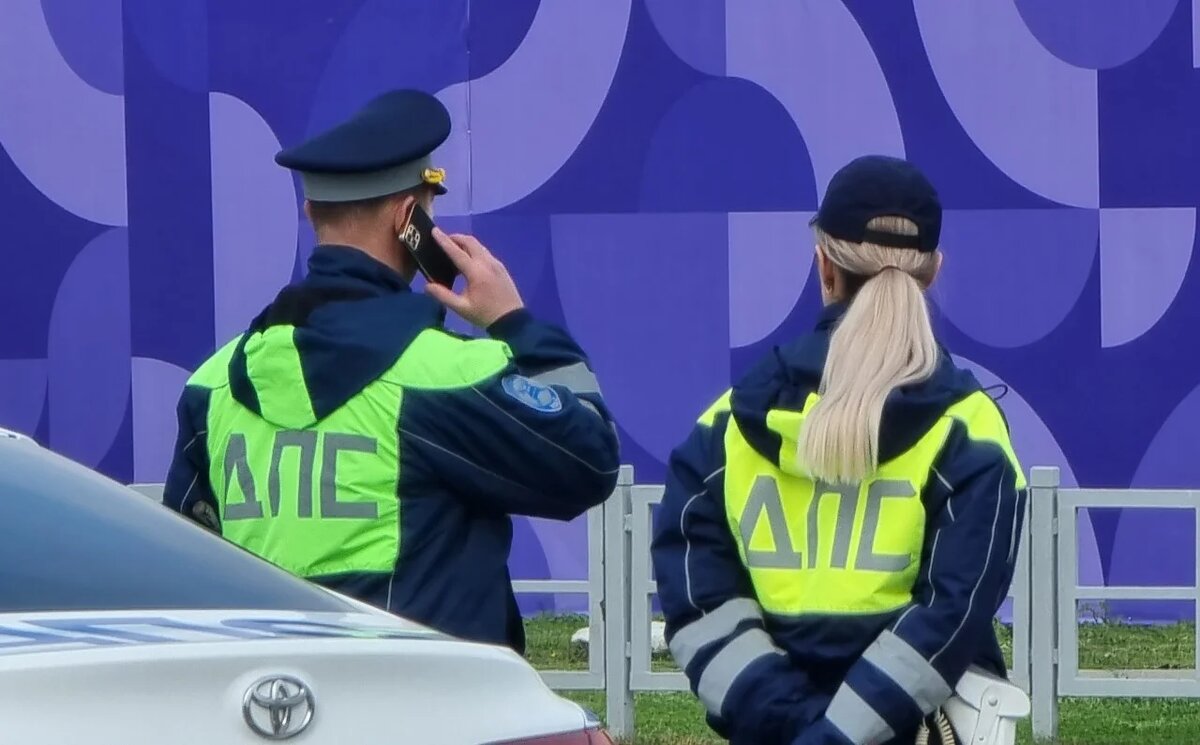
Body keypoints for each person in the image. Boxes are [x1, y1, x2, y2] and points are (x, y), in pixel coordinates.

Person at [162, 89, 621, 654]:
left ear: (311, 213)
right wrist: (515, 323)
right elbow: (590, 458)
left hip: (275, 696)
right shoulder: (449, 374)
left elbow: (191, 570)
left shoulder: (211, 385)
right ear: (409, 219)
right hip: (428, 695)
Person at [650, 155, 1027, 745]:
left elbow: (701, 610)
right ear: (933, 272)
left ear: (823, 264)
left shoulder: (722, 426)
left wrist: (794, 723)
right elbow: (952, 616)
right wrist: (838, 734)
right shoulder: (970, 428)